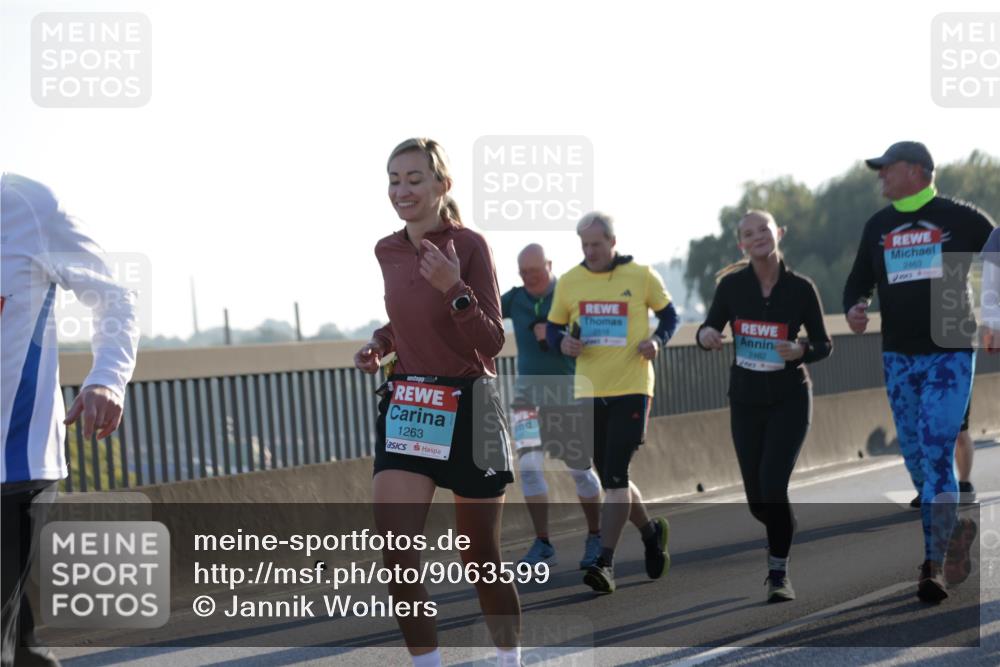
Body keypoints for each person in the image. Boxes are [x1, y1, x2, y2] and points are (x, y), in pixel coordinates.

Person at [353, 138, 521, 667]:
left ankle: (509, 659)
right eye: (394, 179)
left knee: (481, 558)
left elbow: (492, 341)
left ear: (442, 185)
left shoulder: (469, 246)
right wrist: (380, 343)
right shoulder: (386, 250)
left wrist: (455, 287)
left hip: (472, 406)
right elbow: (406, 319)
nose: (401, 190)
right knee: (398, 551)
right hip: (412, 403)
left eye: (414, 179)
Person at [842, 141, 995, 603]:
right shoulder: (878, 226)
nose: (880, 176)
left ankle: (933, 564)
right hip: (899, 355)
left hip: (949, 348)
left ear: (916, 171)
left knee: (935, 450)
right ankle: (953, 529)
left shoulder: (959, 217)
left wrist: (995, 315)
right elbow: (858, 280)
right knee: (914, 457)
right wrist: (855, 306)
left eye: (886, 168)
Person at [1, 174, 140, 667]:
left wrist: (106, 379)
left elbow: (115, 296)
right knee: (20, 647)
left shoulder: (28, 207)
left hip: (17, 463)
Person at [696, 210, 832, 602]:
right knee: (759, 501)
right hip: (746, 401)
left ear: (779, 234)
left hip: (790, 399)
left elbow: (824, 344)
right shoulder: (731, 287)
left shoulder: (801, 288)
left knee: (773, 485)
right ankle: (782, 524)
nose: (758, 237)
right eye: (749, 233)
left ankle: (778, 573)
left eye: (764, 230)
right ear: (741, 244)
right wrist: (707, 336)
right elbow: (709, 327)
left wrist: (801, 349)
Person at [546, 211, 679, 594]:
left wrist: (657, 341)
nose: (590, 251)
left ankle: (604, 562)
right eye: (584, 245)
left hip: (632, 387)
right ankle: (651, 534)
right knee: (611, 480)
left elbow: (670, 316)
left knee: (617, 475)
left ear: (612, 242)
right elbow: (553, 328)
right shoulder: (570, 281)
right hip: (589, 391)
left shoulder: (641, 276)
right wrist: (563, 343)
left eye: (597, 244)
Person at [500, 244, 602, 569]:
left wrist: (567, 339)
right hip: (526, 399)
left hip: (566, 396)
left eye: (534, 271)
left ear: (549, 265)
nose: (528, 277)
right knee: (529, 468)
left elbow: (596, 337)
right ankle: (543, 543)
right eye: (523, 272)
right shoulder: (515, 299)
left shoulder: (569, 294)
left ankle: (597, 535)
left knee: (580, 471)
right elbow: (484, 308)